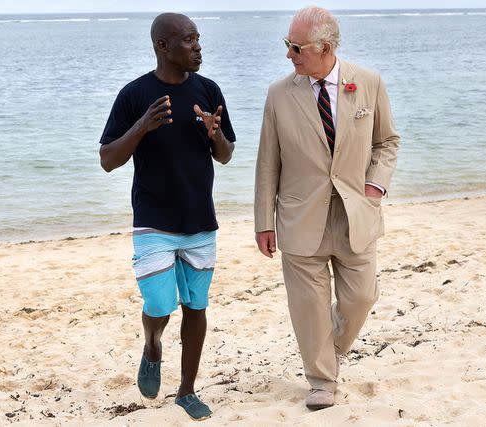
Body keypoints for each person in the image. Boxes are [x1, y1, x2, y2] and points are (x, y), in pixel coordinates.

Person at [254, 6, 400, 410]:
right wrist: (263, 222)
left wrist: (375, 186)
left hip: (357, 214)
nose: (288, 54)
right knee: (309, 307)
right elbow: (268, 163)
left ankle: (329, 349)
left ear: (325, 47)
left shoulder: (368, 83)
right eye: (287, 45)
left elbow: (387, 141)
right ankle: (321, 379)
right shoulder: (278, 95)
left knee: (361, 297)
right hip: (300, 218)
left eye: (295, 47)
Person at [98, 13, 235, 421]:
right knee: (159, 304)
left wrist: (215, 133)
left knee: (196, 307)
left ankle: (187, 391)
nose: (198, 46)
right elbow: (108, 160)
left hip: (200, 221)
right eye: (188, 40)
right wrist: (141, 127)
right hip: (153, 221)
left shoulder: (208, 90)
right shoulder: (135, 95)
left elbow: (225, 155)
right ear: (163, 46)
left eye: (198, 39)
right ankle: (152, 346)